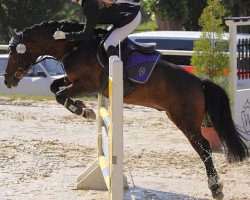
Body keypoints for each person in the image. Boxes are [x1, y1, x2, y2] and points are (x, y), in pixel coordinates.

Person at [53, 0, 141, 96]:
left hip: (131, 18)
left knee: (108, 45)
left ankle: (124, 82)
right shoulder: (87, 3)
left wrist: (65, 36)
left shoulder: (89, 5)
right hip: (125, 15)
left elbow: (86, 34)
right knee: (104, 41)